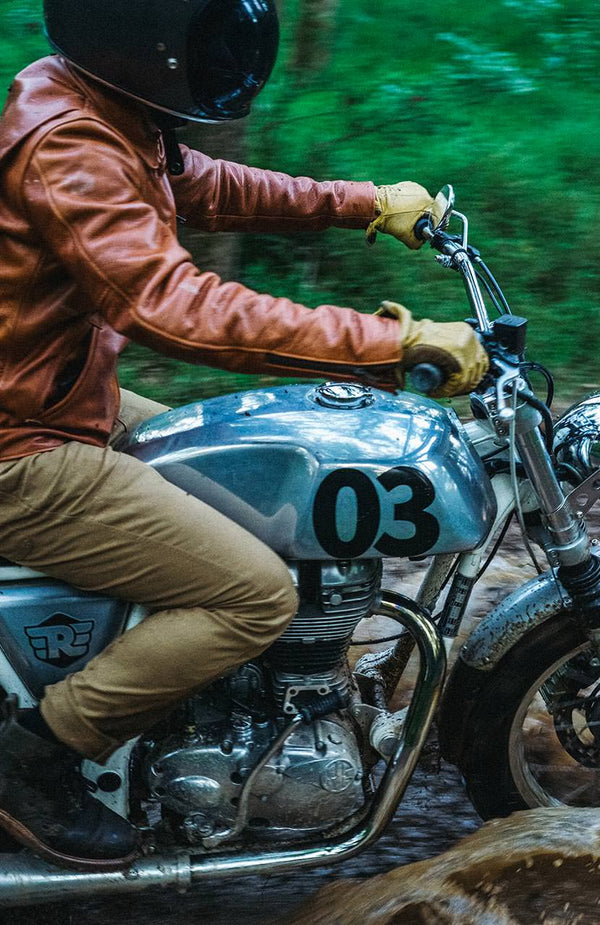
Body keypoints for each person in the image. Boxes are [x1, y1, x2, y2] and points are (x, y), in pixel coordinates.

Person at [0, 0, 488, 870]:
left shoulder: (99, 106)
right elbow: (174, 307)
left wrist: (366, 204)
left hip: (62, 395)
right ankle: (35, 756)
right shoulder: (69, 146)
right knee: (254, 594)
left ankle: (204, 692)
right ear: (143, 35)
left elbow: (215, 188)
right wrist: (392, 342)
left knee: (249, 474)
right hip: (23, 444)